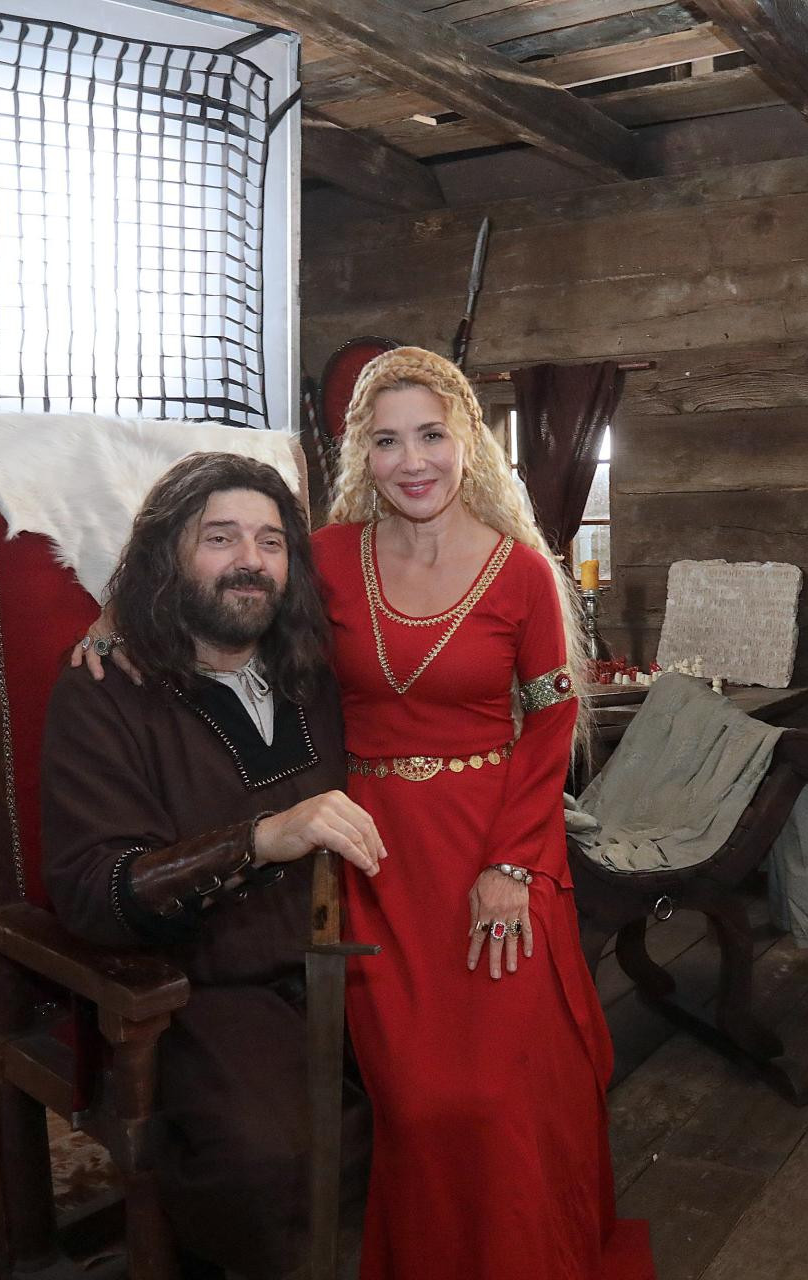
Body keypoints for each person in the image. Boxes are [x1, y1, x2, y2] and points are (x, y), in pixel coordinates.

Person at [316, 346, 653, 1280]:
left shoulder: (522, 574)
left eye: (430, 434)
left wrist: (511, 867)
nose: (412, 460)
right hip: (378, 857)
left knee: (505, 1092)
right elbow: (231, 606)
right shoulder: (328, 559)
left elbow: (551, 726)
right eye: (387, 441)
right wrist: (119, 621)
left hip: (497, 849)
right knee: (416, 1100)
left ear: (469, 440)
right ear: (363, 455)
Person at [43, 452, 384, 1279]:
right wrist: (256, 839)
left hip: (354, 965)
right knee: (273, 1164)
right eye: (220, 537)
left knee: (456, 1097)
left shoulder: (316, 673)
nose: (249, 561)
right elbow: (94, 889)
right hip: (209, 992)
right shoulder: (108, 690)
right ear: (169, 555)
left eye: (271, 542)